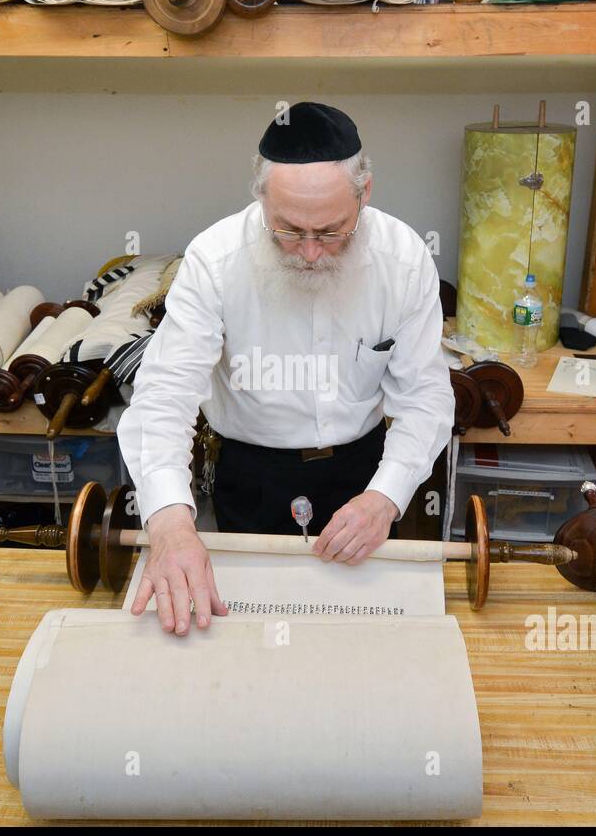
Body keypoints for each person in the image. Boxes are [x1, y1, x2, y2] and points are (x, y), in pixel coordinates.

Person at [117, 102, 454, 635]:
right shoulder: (214, 259)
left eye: (332, 231)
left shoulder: (404, 259)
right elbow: (164, 397)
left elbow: (427, 397)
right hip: (251, 475)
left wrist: (386, 497)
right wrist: (169, 523)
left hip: (363, 474)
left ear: (365, 193)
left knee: (356, 641)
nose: (312, 253)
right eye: (290, 231)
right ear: (261, 198)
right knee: (245, 641)